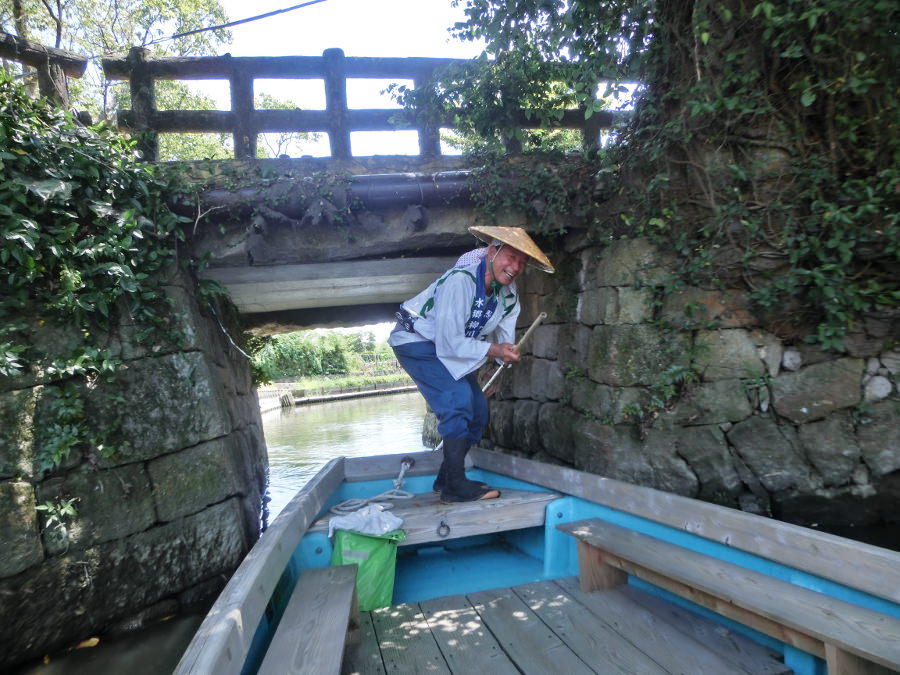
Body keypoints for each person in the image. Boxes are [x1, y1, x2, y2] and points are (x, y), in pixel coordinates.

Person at [389, 226, 554, 503]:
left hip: (451, 347)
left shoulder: (509, 297)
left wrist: (504, 357)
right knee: (457, 402)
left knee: (478, 411)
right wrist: (494, 350)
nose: (516, 267)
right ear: (492, 252)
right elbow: (450, 342)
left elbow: (503, 343)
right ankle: (456, 486)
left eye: (522, 262)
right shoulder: (460, 281)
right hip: (416, 341)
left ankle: (446, 480)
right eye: (511, 257)